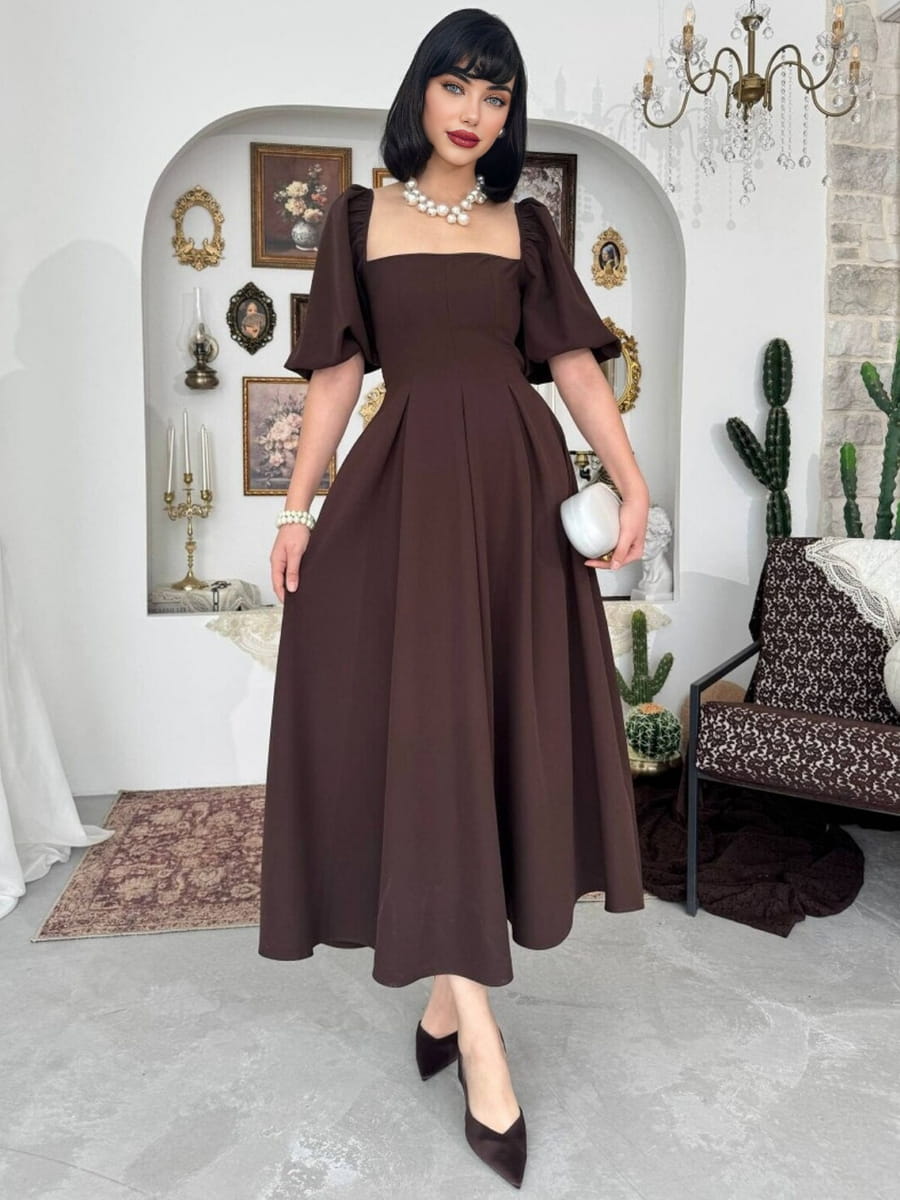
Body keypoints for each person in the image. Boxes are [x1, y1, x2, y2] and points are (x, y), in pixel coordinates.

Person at [258, 8, 649, 1189]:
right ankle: (479, 1036)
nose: (474, 112)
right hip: (405, 493)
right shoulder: (359, 217)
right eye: (456, 87)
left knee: (483, 736)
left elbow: (573, 366)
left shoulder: (526, 226)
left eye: (496, 94)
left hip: (516, 500)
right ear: (420, 94)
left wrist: (631, 482)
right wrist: (295, 508)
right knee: (425, 739)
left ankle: (444, 999)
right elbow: (336, 378)